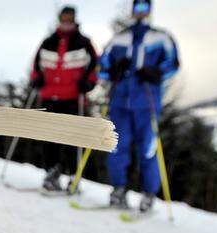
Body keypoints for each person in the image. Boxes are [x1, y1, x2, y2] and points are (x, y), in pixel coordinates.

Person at [99, 0, 179, 212]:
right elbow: (103, 67)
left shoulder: (161, 37)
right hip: (120, 102)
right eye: (138, 8)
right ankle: (118, 189)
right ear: (132, 11)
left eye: (145, 8)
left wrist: (157, 73)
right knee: (116, 145)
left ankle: (148, 193)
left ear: (150, 11)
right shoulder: (120, 37)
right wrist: (114, 70)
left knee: (148, 149)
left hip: (147, 101)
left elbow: (173, 63)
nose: (141, 13)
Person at [30, 6, 98, 192]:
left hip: (73, 97)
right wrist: (36, 78)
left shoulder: (83, 42)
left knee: (71, 137)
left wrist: (89, 83)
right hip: (49, 96)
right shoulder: (48, 42)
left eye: (70, 18)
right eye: (63, 18)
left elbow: (94, 66)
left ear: (75, 19)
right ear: (59, 19)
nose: (66, 21)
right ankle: (52, 172)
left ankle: (73, 176)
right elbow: (36, 65)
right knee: (49, 136)